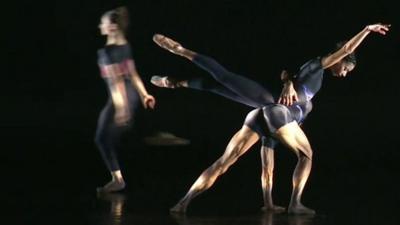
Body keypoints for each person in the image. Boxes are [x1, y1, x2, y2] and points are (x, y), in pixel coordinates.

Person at [150, 23, 390, 214]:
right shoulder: (318, 67)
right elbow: (346, 50)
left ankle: (183, 202)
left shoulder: (302, 95)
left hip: (263, 113)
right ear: (339, 60)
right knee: (306, 155)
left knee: (223, 157)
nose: (345, 74)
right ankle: (295, 204)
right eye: (346, 69)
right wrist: (367, 30)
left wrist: (268, 201)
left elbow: (268, 163)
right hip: (273, 106)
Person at [95, 6, 156, 193]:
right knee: (116, 136)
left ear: (112, 27)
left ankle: (118, 180)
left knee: (101, 138)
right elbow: (133, 73)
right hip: (132, 97)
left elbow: (116, 82)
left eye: (103, 23)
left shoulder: (106, 52)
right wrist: (144, 94)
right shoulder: (125, 46)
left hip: (120, 99)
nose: (100, 26)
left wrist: (121, 109)